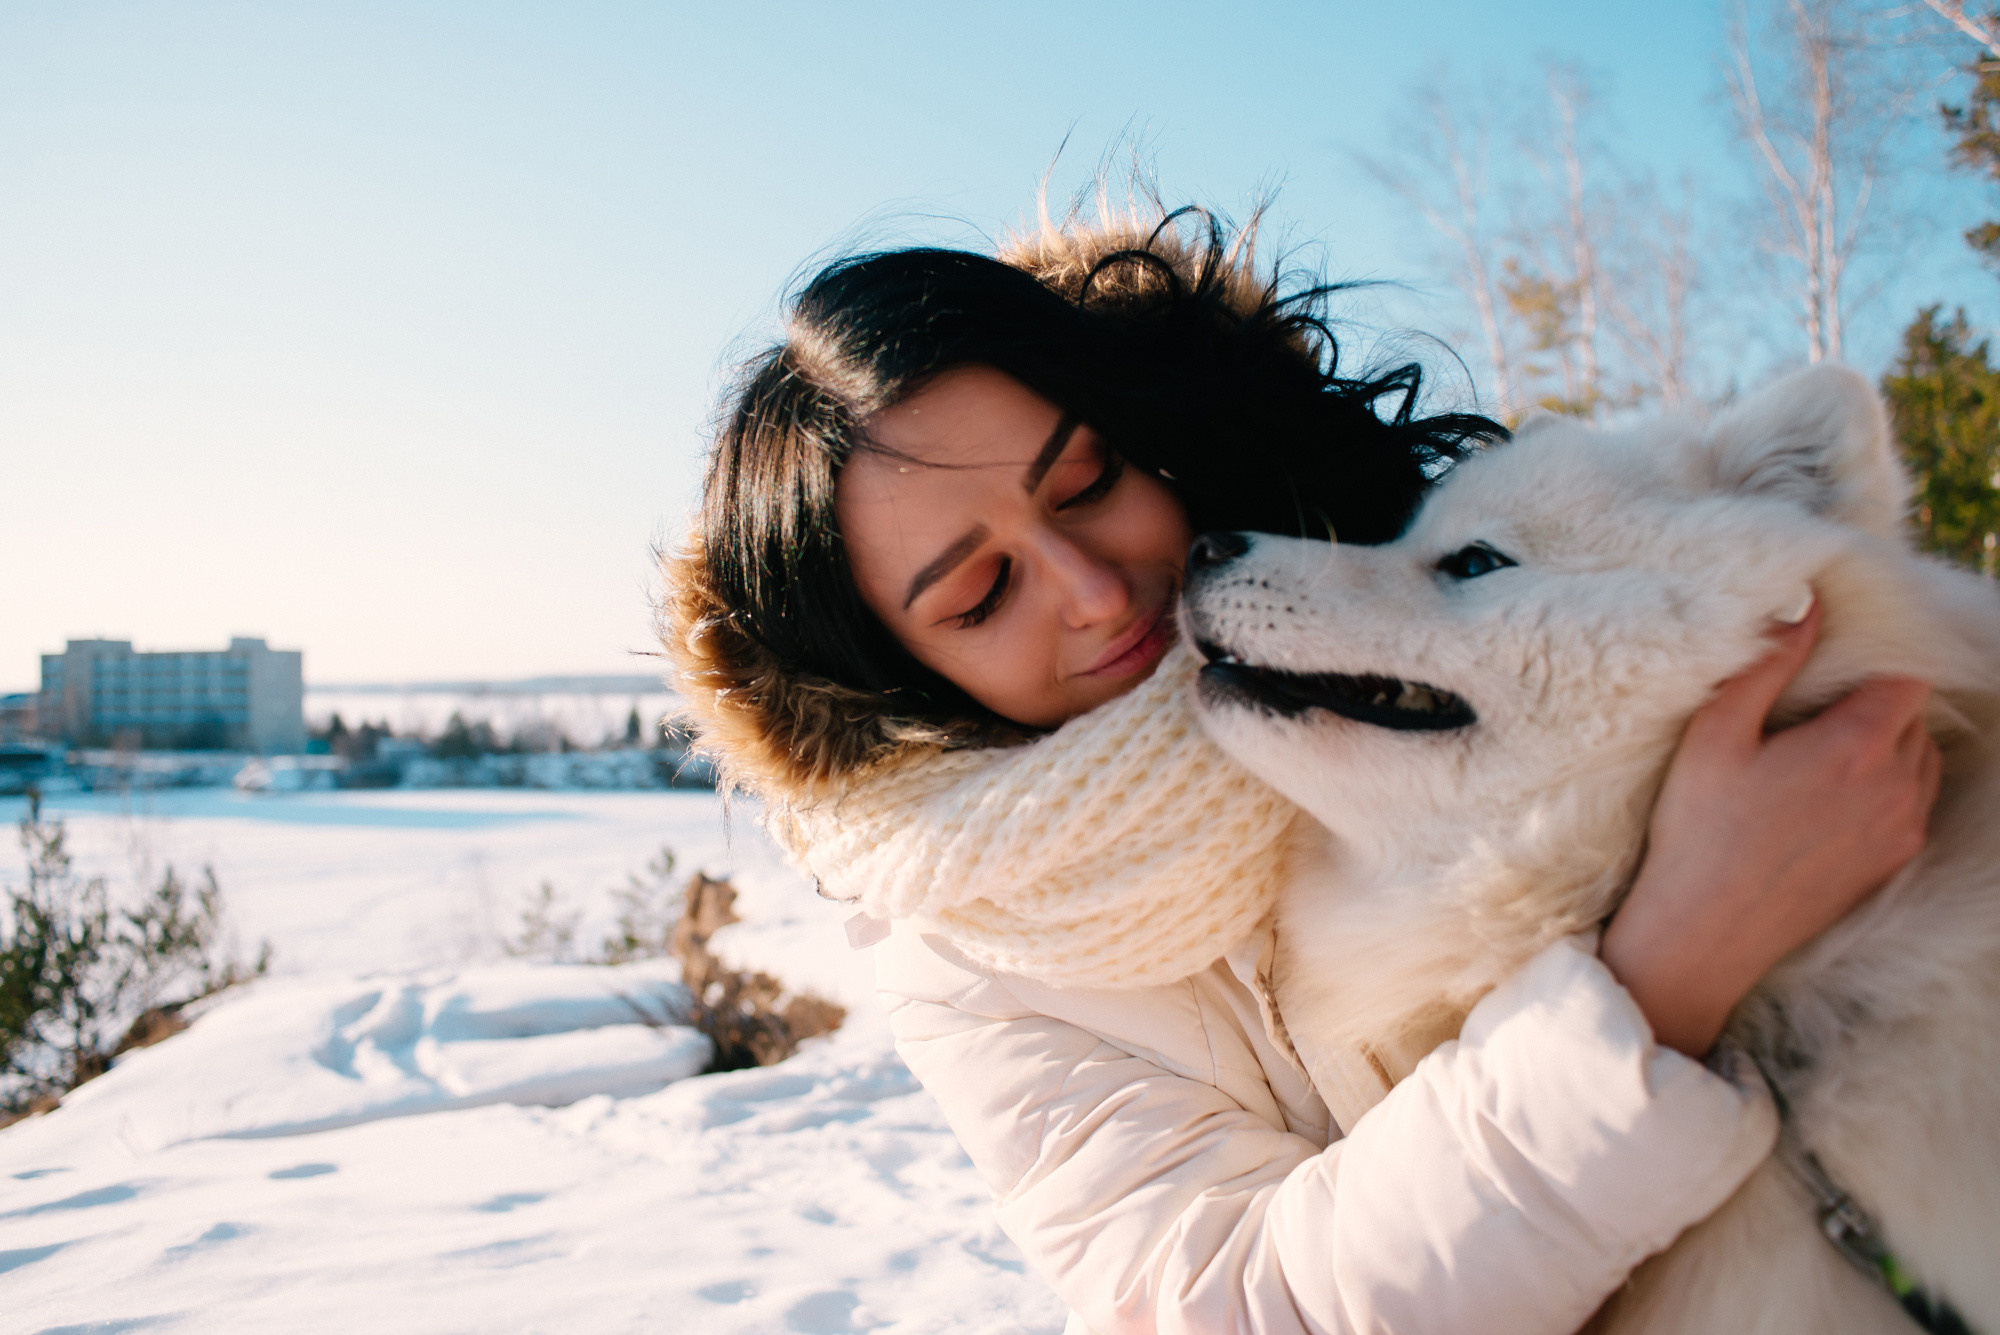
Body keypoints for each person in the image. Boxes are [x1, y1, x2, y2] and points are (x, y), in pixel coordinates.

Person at [660, 204, 1940, 1334]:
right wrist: (1666, 972)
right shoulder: (976, 956)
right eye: (983, 593)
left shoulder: (1433, 578)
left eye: (1088, 484)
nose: (1094, 591)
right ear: (898, 682)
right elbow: (1232, 1305)